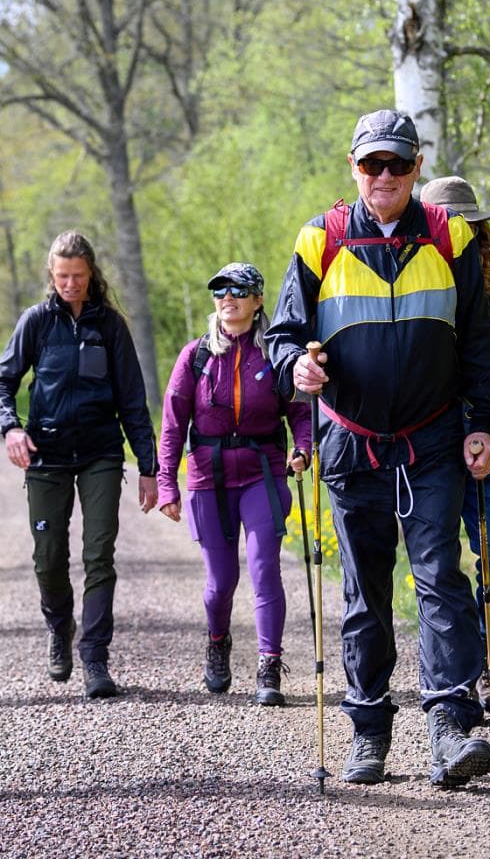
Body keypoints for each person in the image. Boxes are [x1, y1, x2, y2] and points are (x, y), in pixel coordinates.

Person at [267, 109, 490, 788]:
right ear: (355, 167)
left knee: (440, 579)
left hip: (433, 438)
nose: (385, 176)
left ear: (417, 168)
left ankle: (449, 727)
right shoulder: (322, 240)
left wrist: (484, 423)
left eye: (397, 164)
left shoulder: (451, 236)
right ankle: (369, 730)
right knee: (365, 594)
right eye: (372, 164)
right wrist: (296, 370)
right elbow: (281, 335)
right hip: (352, 441)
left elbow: (480, 344)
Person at [0, 231, 158, 699]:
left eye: (78, 276)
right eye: (62, 276)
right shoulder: (37, 322)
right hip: (45, 455)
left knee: (99, 554)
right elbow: (1, 382)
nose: (70, 284)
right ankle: (58, 629)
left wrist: (149, 468)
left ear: (91, 274)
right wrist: (12, 429)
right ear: (51, 274)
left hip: (101, 454)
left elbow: (132, 401)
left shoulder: (110, 326)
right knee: (48, 560)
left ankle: (95, 657)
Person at [157, 263, 311, 705]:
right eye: (220, 291)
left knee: (265, 569)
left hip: (262, 472)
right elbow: (172, 425)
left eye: (239, 290)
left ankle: (269, 665)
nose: (228, 298)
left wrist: (303, 448)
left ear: (259, 300)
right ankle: (218, 639)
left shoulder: (276, 354)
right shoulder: (197, 355)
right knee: (220, 582)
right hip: (208, 478)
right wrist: (167, 482)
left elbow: (300, 412)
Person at [417, 176, 490, 713]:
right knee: (438, 563)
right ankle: (458, 667)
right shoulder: (412, 275)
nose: (457, 234)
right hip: (430, 439)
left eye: (467, 226)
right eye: (447, 224)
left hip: (488, 436)